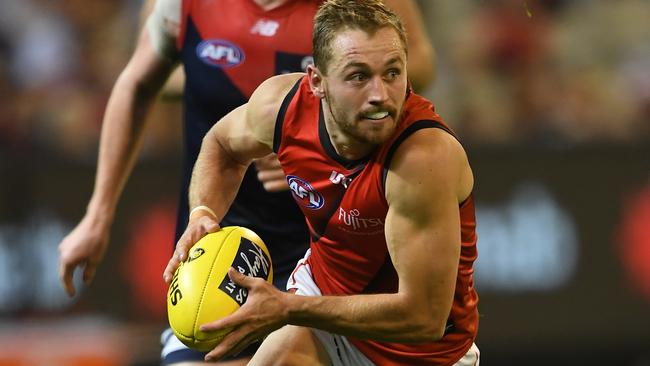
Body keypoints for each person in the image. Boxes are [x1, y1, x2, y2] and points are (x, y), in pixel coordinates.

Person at [57, 0, 435, 365]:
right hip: (216, 235)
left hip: (325, 248)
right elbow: (139, 84)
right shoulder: (184, 5)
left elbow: (411, 65)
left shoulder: (349, 11)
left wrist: (321, 140)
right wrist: (98, 213)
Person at [164, 0, 480, 364]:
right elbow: (221, 145)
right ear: (317, 82)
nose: (380, 95)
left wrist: (290, 307)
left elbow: (423, 319)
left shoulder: (423, 159)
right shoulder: (281, 107)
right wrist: (203, 211)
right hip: (322, 308)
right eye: (358, 76)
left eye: (392, 73)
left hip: (420, 353)